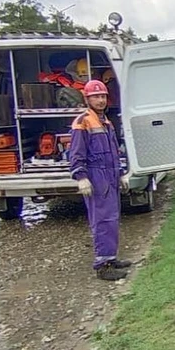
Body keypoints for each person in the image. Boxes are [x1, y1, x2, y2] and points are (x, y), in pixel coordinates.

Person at [69, 79, 133, 280]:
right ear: (87, 99)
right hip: (97, 176)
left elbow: (114, 151)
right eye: (96, 96)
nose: (100, 100)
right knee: (102, 221)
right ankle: (102, 266)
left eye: (103, 96)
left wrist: (121, 172)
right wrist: (81, 177)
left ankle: (111, 258)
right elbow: (76, 153)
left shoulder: (106, 121)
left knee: (112, 219)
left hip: (110, 175)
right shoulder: (83, 122)